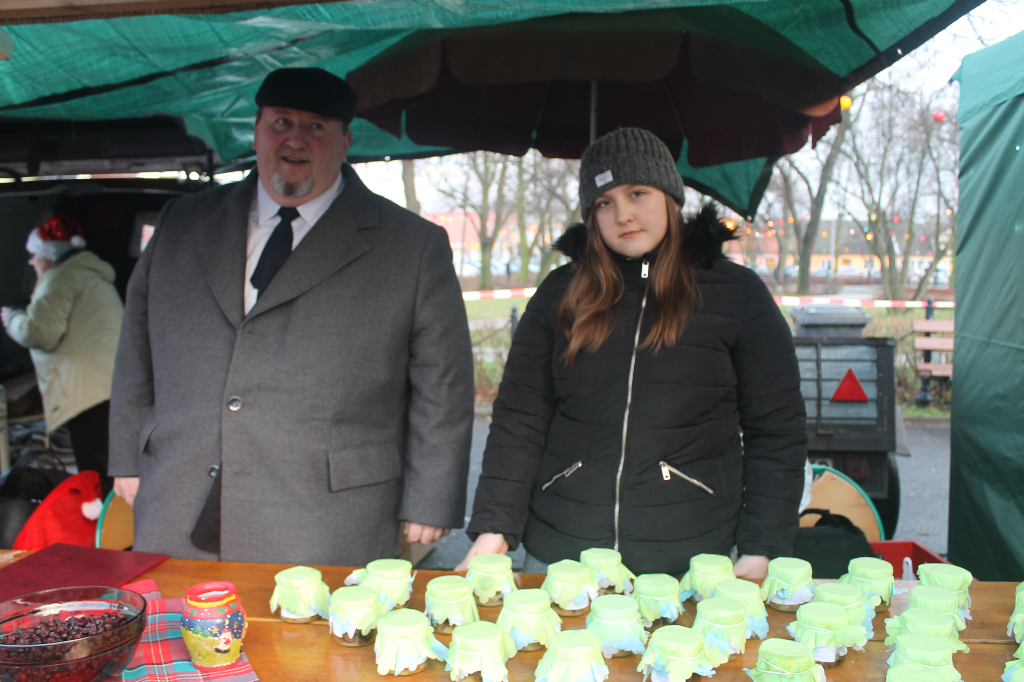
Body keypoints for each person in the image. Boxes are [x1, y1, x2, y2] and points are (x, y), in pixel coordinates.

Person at [108, 68, 474, 565]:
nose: (295, 139)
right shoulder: (183, 221)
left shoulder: (411, 245)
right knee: (177, 635)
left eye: (316, 127)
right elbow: (135, 347)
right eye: (281, 122)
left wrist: (431, 498)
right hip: (177, 492)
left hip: (327, 512)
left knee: (312, 640)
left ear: (345, 142)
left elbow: (443, 384)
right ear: (256, 131)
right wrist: (127, 455)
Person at [459, 128, 806, 578]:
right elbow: (519, 419)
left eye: (637, 192)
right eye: (605, 201)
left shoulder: (738, 296)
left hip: (689, 561)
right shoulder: (558, 295)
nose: (623, 214)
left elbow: (776, 432)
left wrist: (762, 546)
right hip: (562, 555)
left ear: (669, 197)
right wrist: (494, 527)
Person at [2, 215, 124, 496]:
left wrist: (13, 319)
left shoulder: (60, 278)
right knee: (110, 465)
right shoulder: (92, 276)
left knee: (95, 472)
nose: (31, 263)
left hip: (88, 393)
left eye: (34, 256)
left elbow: (41, 333)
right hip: (108, 385)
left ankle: (102, 533)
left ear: (47, 256)